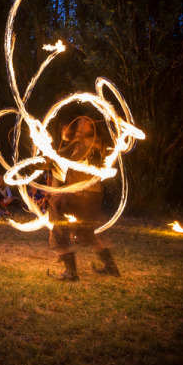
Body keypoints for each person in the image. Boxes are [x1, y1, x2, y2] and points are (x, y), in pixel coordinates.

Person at [48, 115, 120, 281]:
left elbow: (75, 165)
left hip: (82, 194)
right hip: (87, 194)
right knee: (87, 233)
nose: (78, 125)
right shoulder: (90, 142)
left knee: (58, 228)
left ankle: (70, 271)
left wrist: (61, 194)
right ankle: (110, 266)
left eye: (82, 123)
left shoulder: (89, 143)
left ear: (91, 127)